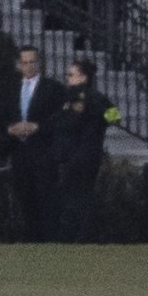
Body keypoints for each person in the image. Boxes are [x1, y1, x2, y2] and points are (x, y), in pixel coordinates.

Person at [46, 57, 113, 244]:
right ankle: (76, 237)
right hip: (69, 157)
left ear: (83, 78)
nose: (67, 78)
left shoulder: (94, 98)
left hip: (81, 157)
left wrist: (93, 114)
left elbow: (115, 116)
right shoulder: (69, 99)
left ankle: (79, 238)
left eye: (71, 75)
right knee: (72, 200)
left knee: (77, 200)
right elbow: (57, 122)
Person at [4, 46, 62, 242]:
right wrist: (11, 130)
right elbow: (1, 116)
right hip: (20, 154)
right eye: (25, 62)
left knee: (46, 201)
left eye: (32, 62)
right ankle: (31, 242)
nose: (28, 66)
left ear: (39, 63)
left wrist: (37, 127)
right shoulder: (10, 89)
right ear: (19, 65)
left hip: (43, 154)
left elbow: (59, 119)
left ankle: (49, 243)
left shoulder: (52, 88)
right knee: (25, 201)